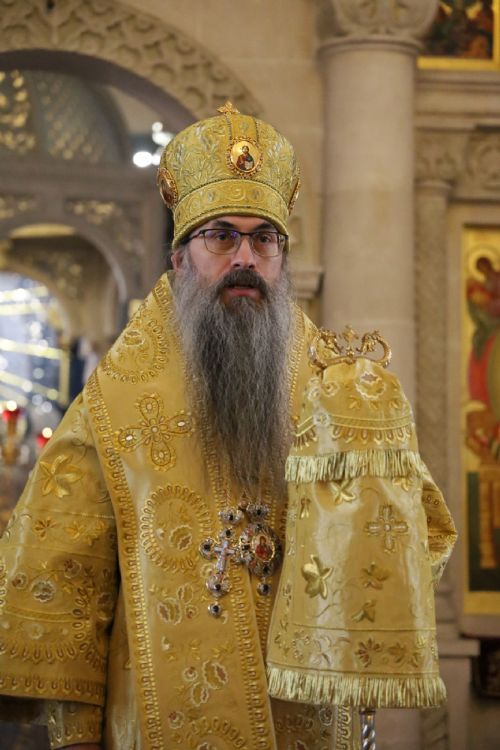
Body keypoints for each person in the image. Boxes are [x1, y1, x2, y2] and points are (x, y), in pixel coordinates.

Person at [0, 102, 454, 750]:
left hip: (307, 724)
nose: (246, 257)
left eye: (264, 239)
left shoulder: (340, 391)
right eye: (221, 236)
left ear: (282, 258)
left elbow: (419, 538)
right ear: (180, 258)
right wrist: (75, 737)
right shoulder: (115, 401)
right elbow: (67, 587)